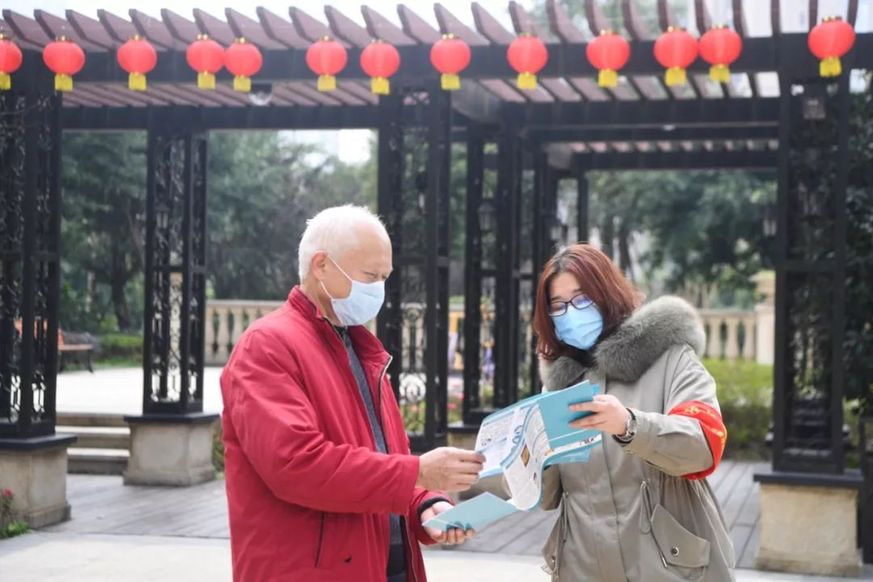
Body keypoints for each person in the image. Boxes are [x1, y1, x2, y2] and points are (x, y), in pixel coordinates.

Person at [220, 205, 485, 582]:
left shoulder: (360, 348)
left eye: (384, 277)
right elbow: (296, 465)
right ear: (321, 265)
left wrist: (425, 503)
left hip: (384, 566)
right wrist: (418, 471)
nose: (378, 289)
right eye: (369, 276)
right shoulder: (267, 345)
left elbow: (382, 459)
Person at [532, 244, 735, 581]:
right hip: (582, 568)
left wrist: (630, 426)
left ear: (607, 293)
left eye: (581, 299)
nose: (571, 313)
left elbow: (703, 447)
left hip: (669, 568)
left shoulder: (671, 358)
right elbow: (547, 496)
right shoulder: (558, 387)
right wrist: (530, 457)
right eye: (558, 306)